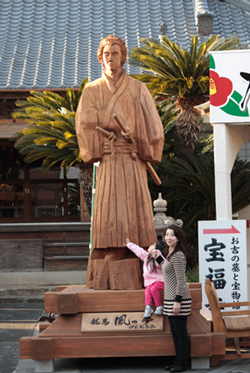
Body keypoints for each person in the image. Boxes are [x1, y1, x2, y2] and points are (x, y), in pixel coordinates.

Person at [75, 35, 164, 289]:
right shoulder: (92, 90)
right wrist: (96, 146)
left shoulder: (138, 88)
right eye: (106, 54)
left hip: (133, 159)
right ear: (100, 58)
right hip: (109, 160)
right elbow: (84, 124)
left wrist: (143, 145)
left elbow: (154, 127)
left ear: (123, 57)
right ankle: (112, 247)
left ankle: (138, 247)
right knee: (109, 203)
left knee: (133, 202)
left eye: (115, 53)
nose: (110, 58)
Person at [152, 225, 192, 373]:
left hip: (178, 298)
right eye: (167, 235)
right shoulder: (169, 254)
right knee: (175, 333)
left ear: (178, 238)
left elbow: (181, 281)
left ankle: (182, 363)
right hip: (169, 298)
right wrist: (158, 258)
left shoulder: (179, 255)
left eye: (172, 235)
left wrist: (177, 300)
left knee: (180, 333)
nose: (169, 238)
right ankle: (177, 362)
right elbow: (168, 272)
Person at [125, 238, 166, 318]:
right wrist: (129, 245)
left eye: (153, 245)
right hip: (150, 282)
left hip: (160, 281)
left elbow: (164, 264)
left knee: (153, 289)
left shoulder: (158, 259)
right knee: (147, 290)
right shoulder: (146, 257)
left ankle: (159, 306)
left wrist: (157, 255)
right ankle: (148, 307)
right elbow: (138, 250)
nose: (150, 246)